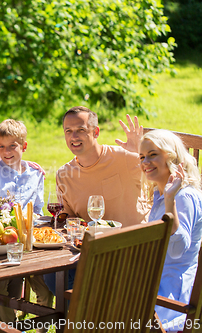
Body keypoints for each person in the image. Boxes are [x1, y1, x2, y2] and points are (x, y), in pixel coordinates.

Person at [0, 119, 51, 323]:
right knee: (1, 289)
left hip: (31, 243)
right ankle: (10, 326)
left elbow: (38, 209)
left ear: (24, 146)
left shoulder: (35, 174)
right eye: (1, 147)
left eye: (12, 146)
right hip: (2, 241)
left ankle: (41, 326)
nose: (6, 152)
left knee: (47, 290)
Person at [139, 129, 202, 331]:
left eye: (153, 154)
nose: (145, 162)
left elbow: (176, 250)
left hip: (171, 300)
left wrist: (169, 200)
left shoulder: (182, 196)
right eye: (142, 157)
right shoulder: (163, 193)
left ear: (172, 156)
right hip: (155, 285)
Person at [56, 106, 149, 226]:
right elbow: (68, 220)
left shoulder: (125, 157)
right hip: (96, 243)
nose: (74, 137)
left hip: (138, 241)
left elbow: (163, 178)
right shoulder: (64, 174)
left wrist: (140, 153)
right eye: (68, 131)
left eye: (81, 130)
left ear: (96, 132)